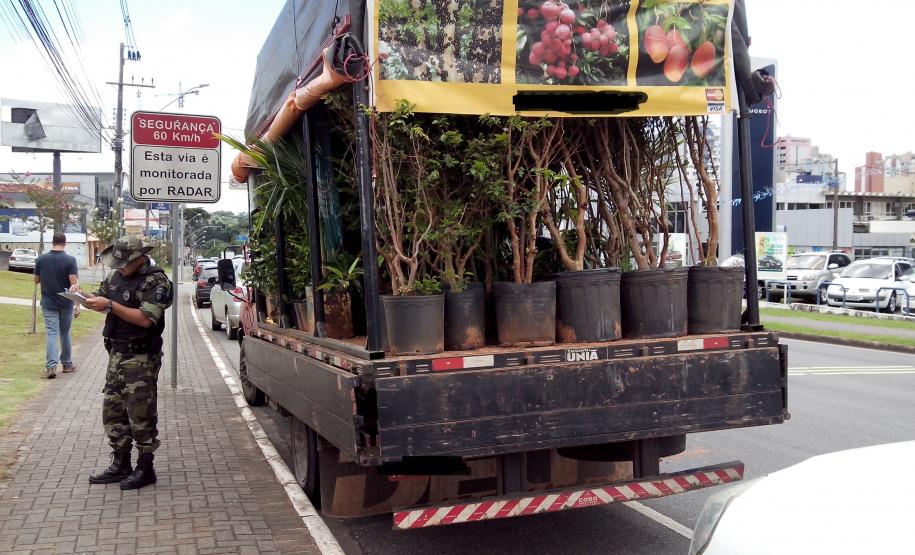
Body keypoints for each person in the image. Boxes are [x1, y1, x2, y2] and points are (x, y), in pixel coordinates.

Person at [80, 237, 173, 490]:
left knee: (140, 413)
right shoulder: (115, 278)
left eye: (125, 263)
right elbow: (100, 299)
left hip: (141, 357)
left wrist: (110, 304)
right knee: (113, 411)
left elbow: (145, 319)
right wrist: (80, 296)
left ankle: (146, 467)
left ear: (140, 258)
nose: (120, 267)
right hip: (117, 354)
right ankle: (121, 463)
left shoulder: (156, 281)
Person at [34, 232, 79, 379]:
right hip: (66, 302)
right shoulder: (70, 260)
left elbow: (36, 280)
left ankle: (51, 366)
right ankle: (67, 364)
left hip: (48, 302)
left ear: (52, 243)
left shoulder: (41, 259)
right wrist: (77, 304)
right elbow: (73, 283)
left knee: (52, 333)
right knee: (65, 333)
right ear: (65, 243)